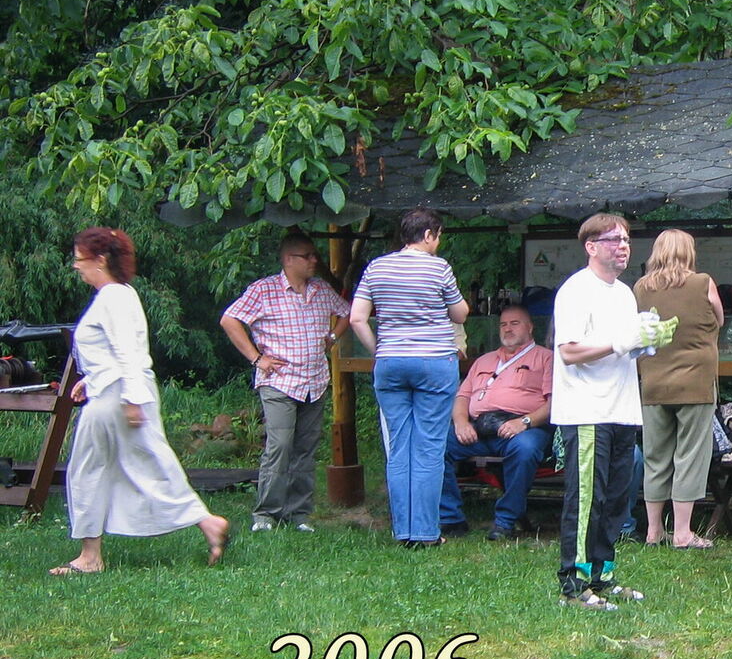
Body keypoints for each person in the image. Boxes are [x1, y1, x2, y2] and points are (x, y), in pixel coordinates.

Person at [51, 228, 230, 574]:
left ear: (100, 259)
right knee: (146, 464)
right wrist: (90, 380)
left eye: (79, 259)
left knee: (92, 470)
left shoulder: (114, 297)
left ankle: (90, 558)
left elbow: (129, 352)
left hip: (119, 397)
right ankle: (207, 523)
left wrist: (131, 399)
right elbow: (115, 352)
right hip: (114, 392)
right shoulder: (119, 295)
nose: (76, 266)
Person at [550, 214, 673, 608]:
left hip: (622, 408)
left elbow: (623, 346)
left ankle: (602, 575)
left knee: (617, 499)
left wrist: (646, 341)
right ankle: (574, 582)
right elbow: (569, 352)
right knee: (587, 499)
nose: (623, 246)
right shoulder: (575, 291)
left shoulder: (623, 293)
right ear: (591, 246)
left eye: (626, 240)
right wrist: (623, 341)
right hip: (586, 410)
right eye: (613, 240)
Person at [349, 207, 469, 548]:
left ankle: (403, 531)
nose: (439, 243)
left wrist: (380, 351)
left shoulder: (376, 267)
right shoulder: (438, 267)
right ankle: (427, 533)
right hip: (433, 364)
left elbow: (357, 318)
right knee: (430, 448)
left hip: (391, 362)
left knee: (399, 447)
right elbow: (460, 312)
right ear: (429, 235)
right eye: (439, 236)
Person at [220, 232, 351, 533]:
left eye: (314, 255)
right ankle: (266, 514)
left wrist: (331, 337)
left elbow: (347, 313)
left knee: (305, 448)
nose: (314, 260)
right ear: (289, 259)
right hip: (279, 381)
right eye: (308, 256)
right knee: (279, 445)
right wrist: (257, 358)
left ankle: (298, 514)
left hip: (314, 381)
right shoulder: (263, 290)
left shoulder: (320, 289)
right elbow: (229, 320)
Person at [633, 229, 724, 549]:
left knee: (655, 457)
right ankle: (683, 533)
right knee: (690, 456)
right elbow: (720, 318)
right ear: (688, 251)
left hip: (653, 384)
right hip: (695, 383)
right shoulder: (702, 283)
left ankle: (653, 531)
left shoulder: (640, 288)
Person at [438, 305, 554, 541]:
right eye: (503, 324)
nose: (508, 329)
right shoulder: (484, 360)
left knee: (526, 449)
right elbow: (462, 397)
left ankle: (506, 521)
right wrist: (461, 423)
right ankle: (450, 518)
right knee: (436, 445)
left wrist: (525, 422)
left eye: (515, 323)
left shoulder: (546, 358)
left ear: (530, 327)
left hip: (523, 428)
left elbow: (555, 403)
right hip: (480, 429)